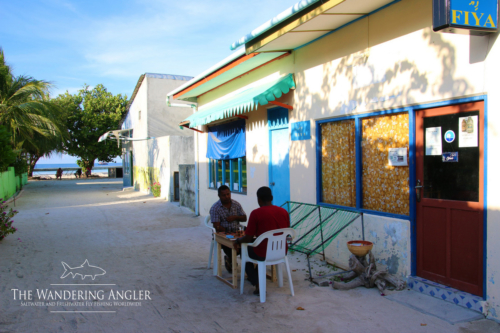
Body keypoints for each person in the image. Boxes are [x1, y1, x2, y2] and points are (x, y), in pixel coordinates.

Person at [234, 186, 290, 295]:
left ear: (258, 199)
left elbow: (248, 238)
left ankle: (258, 284)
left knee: (244, 251)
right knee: (254, 250)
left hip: (263, 253)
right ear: (272, 198)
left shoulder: (256, 213)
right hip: (281, 252)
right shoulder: (284, 212)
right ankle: (259, 279)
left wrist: (238, 241)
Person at [209, 185, 247, 273]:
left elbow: (244, 218)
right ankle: (230, 258)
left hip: (236, 232)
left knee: (247, 244)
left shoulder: (236, 204)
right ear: (219, 196)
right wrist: (228, 232)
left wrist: (235, 217)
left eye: (228, 194)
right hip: (222, 234)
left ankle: (231, 259)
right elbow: (217, 226)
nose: (227, 197)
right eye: (224, 195)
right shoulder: (215, 208)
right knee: (231, 245)